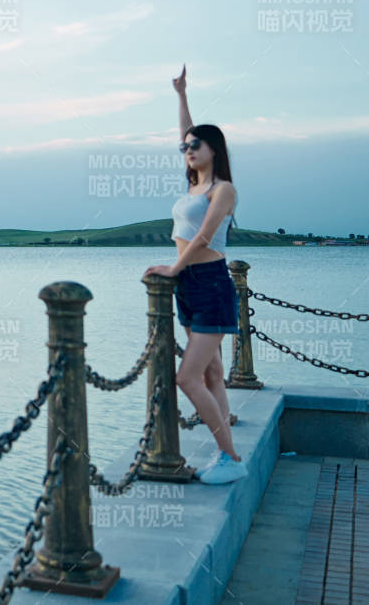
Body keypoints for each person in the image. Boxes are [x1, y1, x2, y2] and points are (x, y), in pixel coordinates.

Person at [141, 63, 246, 484]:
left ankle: (230, 458)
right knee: (212, 374)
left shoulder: (223, 190)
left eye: (197, 145)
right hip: (188, 285)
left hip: (210, 285)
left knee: (187, 377)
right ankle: (227, 454)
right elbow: (186, 132)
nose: (188, 149)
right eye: (185, 147)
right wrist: (181, 94)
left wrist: (173, 268)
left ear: (215, 149)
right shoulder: (193, 185)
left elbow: (204, 236)